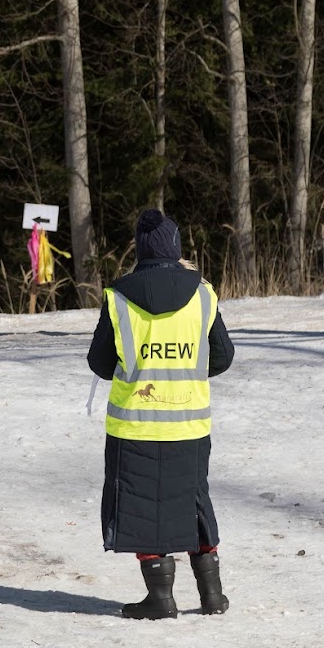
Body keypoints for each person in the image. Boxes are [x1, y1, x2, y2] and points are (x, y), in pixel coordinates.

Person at [86, 209, 235, 619]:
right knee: (195, 502)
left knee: (141, 506)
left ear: (140, 248)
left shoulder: (118, 296)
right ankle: (212, 595)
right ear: (177, 245)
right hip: (189, 422)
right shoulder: (203, 292)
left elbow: (99, 363)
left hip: (135, 423)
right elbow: (222, 357)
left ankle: (160, 598)